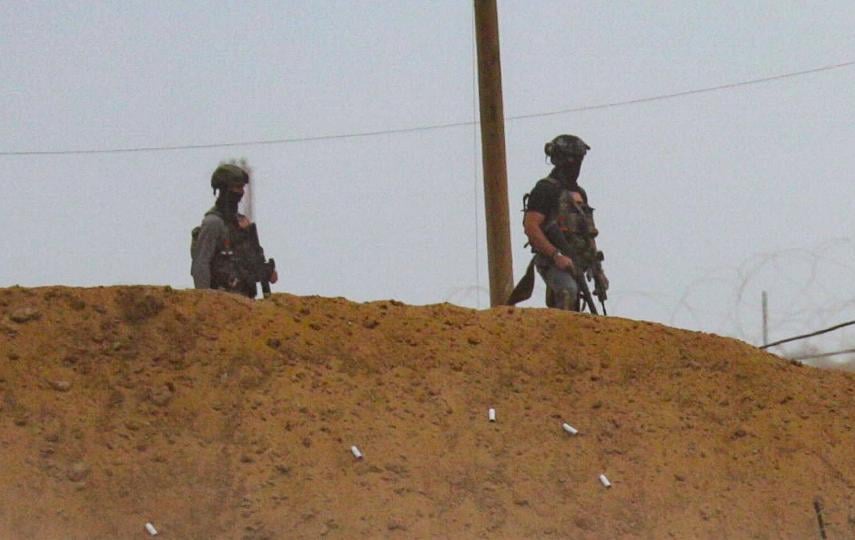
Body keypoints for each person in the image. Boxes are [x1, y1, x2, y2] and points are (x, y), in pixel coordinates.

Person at [510, 134, 609, 311]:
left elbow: (588, 234)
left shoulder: (579, 193)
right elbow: (531, 226)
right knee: (567, 291)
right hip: (552, 260)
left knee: (577, 305)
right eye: (574, 160)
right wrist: (556, 256)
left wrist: (597, 270)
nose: (577, 165)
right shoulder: (545, 189)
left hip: (577, 261)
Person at [191, 163, 277, 298]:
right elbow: (201, 264)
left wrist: (266, 272)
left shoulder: (242, 223)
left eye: (242, 187)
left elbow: (250, 265)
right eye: (237, 187)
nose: (241, 192)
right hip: (221, 301)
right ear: (225, 189)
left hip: (245, 301)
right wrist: (205, 301)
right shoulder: (213, 223)